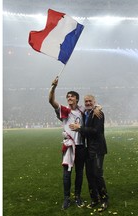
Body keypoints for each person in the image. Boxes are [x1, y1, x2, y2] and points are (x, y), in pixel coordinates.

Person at [49, 77, 87, 210]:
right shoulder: (65, 110)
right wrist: (53, 87)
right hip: (69, 147)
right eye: (67, 97)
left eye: (71, 97)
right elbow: (51, 101)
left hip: (81, 146)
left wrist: (98, 107)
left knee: (79, 173)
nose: (69, 98)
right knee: (67, 174)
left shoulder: (82, 111)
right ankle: (66, 199)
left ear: (77, 99)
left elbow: (92, 106)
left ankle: (77, 196)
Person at [69, 94, 109, 212]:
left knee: (97, 175)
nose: (87, 103)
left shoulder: (98, 114)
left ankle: (104, 200)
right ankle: (95, 199)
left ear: (94, 101)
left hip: (97, 149)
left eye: (90, 101)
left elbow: (96, 131)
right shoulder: (86, 113)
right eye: (86, 101)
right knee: (90, 176)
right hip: (88, 149)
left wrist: (80, 128)